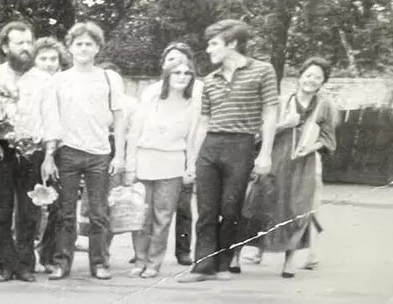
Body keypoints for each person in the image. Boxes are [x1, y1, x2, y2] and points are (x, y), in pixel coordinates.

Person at [178, 20, 278, 283]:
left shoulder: (263, 71)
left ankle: (223, 264)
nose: (208, 49)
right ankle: (202, 267)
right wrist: (192, 160)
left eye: (214, 44)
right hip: (211, 146)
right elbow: (204, 122)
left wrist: (265, 153)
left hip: (241, 146)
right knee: (206, 210)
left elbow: (270, 113)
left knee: (231, 209)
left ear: (232, 43)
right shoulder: (210, 80)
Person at [41, 22, 126, 281]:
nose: (84, 48)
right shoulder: (59, 80)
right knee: (65, 213)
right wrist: (49, 155)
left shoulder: (109, 78)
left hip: (100, 153)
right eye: (79, 44)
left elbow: (119, 118)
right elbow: (51, 119)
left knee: (99, 213)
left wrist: (120, 155)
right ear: (70, 47)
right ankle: (61, 263)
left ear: (98, 47)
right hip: (68, 152)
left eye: (89, 44)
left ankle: (99, 263)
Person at [245, 57, 339, 277]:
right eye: (308, 75)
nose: (311, 80)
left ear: (323, 81)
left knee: (298, 209)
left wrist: (310, 148)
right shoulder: (281, 102)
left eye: (318, 77)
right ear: (300, 77)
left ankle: (289, 262)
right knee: (264, 205)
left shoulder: (324, 106)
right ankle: (257, 250)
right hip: (277, 161)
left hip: (304, 164)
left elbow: (328, 139)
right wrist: (284, 124)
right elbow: (259, 134)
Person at [0, 21, 49, 283]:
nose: (26, 48)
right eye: (20, 43)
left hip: (33, 150)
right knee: (2, 210)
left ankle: (26, 265)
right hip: (1, 150)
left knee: (29, 212)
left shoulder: (44, 80)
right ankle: (5, 265)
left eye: (29, 42)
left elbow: (51, 118)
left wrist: (49, 155)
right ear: (6, 47)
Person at [125, 57, 199, 278]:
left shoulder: (192, 105)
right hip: (145, 160)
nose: (182, 77)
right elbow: (134, 134)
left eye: (187, 73)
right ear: (167, 76)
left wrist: (190, 166)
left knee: (163, 216)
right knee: (141, 214)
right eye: (177, 72)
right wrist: (130, 166)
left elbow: (192, 140)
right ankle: (139, 259)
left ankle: (153, 263)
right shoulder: (151, 100)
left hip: (172, 164)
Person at [33, 37, 67, 273]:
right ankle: (25, 253)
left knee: (57, 204)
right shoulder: (30, 83)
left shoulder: (65, 83)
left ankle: (48, 254)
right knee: (31, 204)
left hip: (61, 150)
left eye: (53, 58)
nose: (48, 63)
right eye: (43, 58)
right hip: (34, 148)